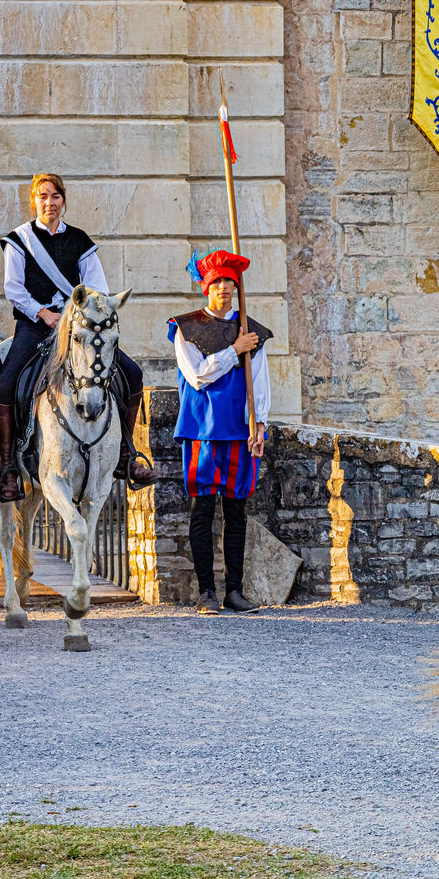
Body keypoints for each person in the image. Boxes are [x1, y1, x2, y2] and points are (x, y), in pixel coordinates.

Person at [0, 172, 154, 501]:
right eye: (42, 196)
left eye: (55, 196)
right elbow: (13, 288)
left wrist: (77, 317)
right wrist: (43, 313)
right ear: (34, 200)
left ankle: (125, 453)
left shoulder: (79, 240)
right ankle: (8, 467)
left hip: (77, 328)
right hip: (35, 325)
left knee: (132, 374)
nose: (49, 203)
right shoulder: (19, 240)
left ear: (63, 200)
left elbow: (97, 288)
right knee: (5, 385)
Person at [168, 250, 271, 615]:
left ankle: (234, 591)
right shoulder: (186, 328)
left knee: (236, 511)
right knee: (203, 509)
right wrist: (234, 349)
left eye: (230, 282)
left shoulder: (250, 329)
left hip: (239, 429)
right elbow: (199, 376)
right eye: (217, 282)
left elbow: (260, 379)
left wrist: (259, 424)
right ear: (206, 287)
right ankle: (206, 592)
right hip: (203, 428)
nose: (224, 288)